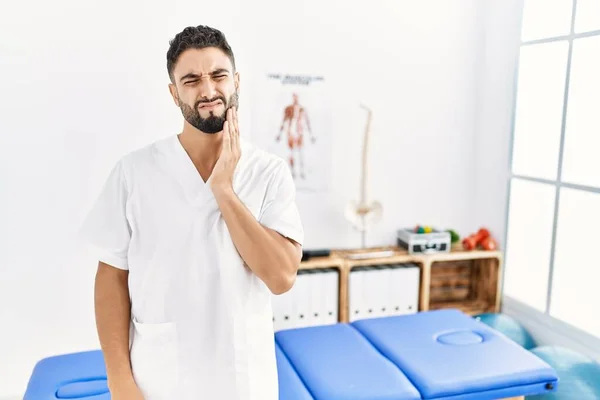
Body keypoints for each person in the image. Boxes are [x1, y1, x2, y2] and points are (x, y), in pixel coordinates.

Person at [79, 25, 304, 400]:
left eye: (218, 75)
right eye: (191, 80)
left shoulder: (268, 172)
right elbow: (111, 280)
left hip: (243, 379)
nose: (208, 90)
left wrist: (224, 192)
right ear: (174, 93)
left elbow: (281, 277)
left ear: (236, 81)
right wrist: (119, 381)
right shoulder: (134, 172)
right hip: (160, 380)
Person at [275, 93, 316, 179]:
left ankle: (302, 172)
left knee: (301, 153)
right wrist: (279, 134)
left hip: (299, 133)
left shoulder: (302, 109)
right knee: (292, 153)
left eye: (296, 98)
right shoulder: (288, 109)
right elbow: (283, 121)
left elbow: (307, 122)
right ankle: (292, 172)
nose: (295, 99)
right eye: (294, 98)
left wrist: (311, 135)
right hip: (291, 133)